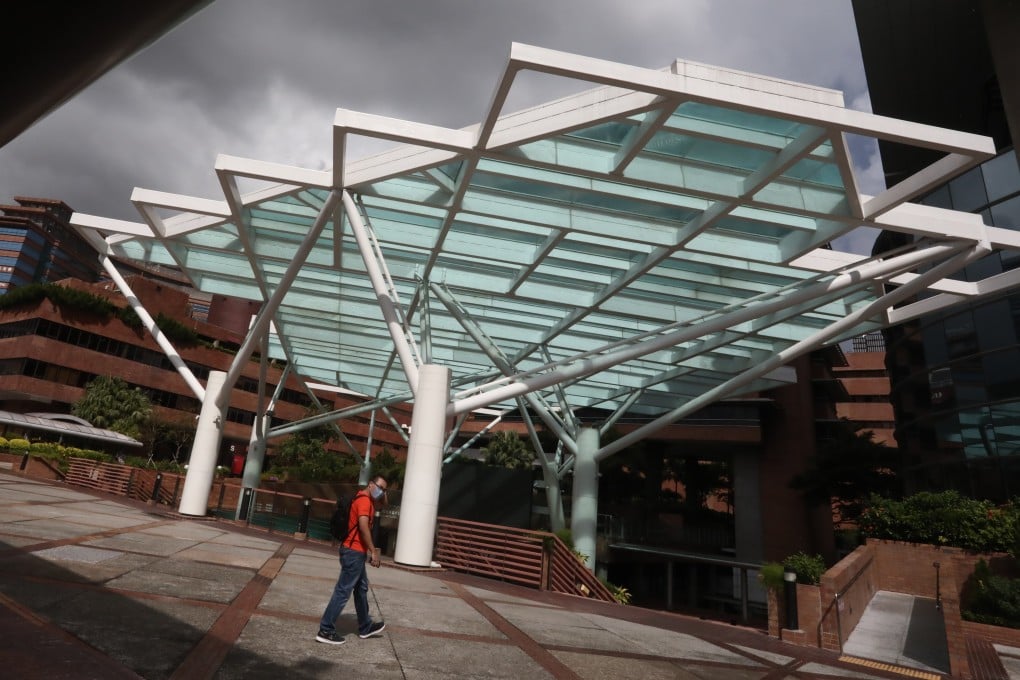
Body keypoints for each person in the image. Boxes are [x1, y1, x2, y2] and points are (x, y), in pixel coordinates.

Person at [315, 475, 389, 645]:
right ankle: (325, 629)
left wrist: (383, 491)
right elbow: (363, 527)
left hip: (355, 552)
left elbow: (384, 503)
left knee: (361, 588)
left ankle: (365, 626)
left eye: (384, 489)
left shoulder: (365, 498)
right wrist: (373, 551)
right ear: (371, 485)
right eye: (380, 488)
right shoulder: (364, 501)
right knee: (343, 591)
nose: (382, 492)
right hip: (354, 552)